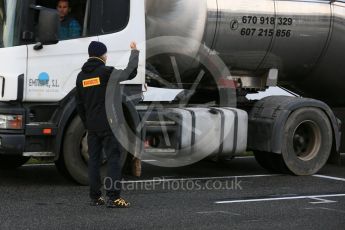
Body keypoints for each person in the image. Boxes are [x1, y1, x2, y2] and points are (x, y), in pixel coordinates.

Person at [76, 41, 139, 208]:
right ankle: (113, 197)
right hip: (109, 124)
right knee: (113, 159)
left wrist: (87, 123)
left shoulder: (81, 76)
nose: (106, 56)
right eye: (106, 53)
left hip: (92, 126)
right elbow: (129, 73)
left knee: (94, 161)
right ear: (102, 55)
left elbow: (79, 105)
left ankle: (95, 197)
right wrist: (134, 52)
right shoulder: (105, 72)